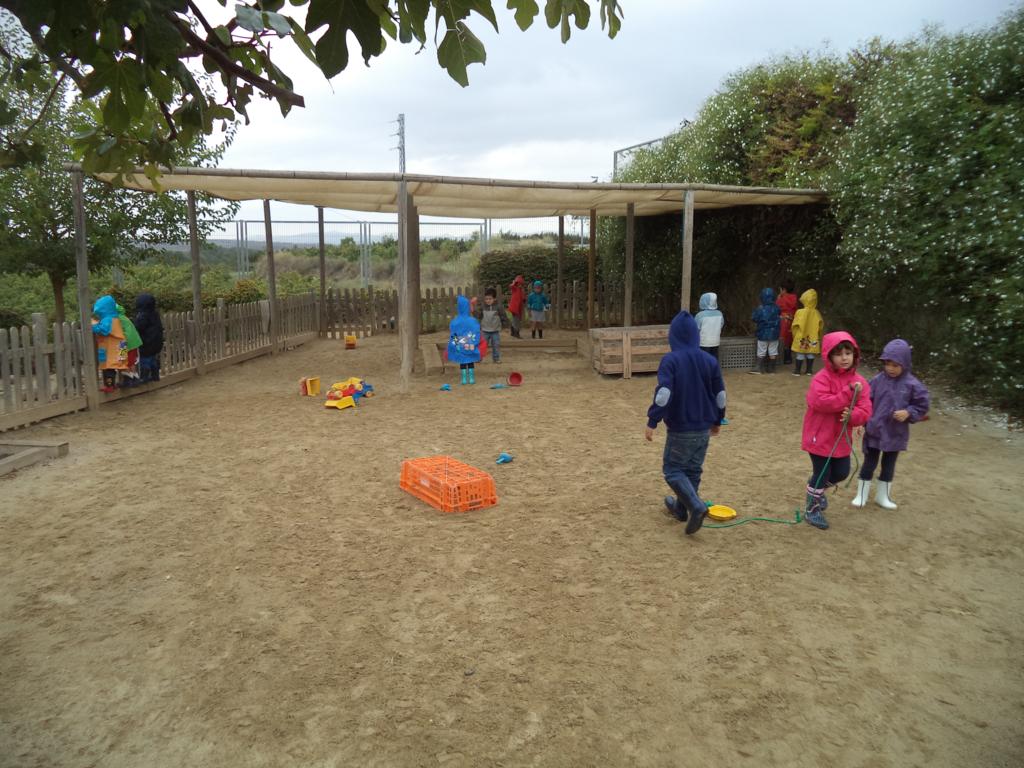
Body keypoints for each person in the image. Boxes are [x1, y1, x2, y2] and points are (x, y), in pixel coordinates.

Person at [645, 311, 727, 536]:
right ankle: (681, 510)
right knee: (692, 470)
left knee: (673, 470)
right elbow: (720, 395)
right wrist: (718, 419)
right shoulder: (710, 360)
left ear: (673, 337)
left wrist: (653, 420)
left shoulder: (670, 360)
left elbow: (663, 393)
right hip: (703, 429)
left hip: (681, 428)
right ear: (695, 335)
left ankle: (695, 505)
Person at [801, 331, 872, 530]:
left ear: (854, 355)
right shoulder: (821, 378)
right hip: (819, 435)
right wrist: (847, 394)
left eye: (848, 353)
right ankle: (812, 508)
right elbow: (820, 402)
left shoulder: (860, 382)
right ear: (829, 356)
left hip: (841, 438)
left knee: (841, 472)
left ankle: (815, 488)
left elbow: (865, 409)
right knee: (822, 472)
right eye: (839, 354)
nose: (844, 358)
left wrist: (853, 416)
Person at [852, 339, 930, 510]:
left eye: (895, 365)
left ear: (905, 364)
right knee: (869, 463)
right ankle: (861, 495)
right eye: (887, 364)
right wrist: (861, 420)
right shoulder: (877, 380)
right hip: (874, 430)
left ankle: (882, 497)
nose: (890, 368)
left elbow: (922, 405)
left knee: (888, 465)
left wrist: (909, 412)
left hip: (895, 433)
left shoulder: (912, 384)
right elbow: (865, 401)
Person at [91, 295, 129, 393]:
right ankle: (124, 382)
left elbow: (104, 330)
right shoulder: (115, 318)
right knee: (118, 365)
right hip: (120, 345)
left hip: (112, 348)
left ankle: (109, 386)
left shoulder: (108, 319)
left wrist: (93, 325)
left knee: (109, 368)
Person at [447, 294, 481, 385]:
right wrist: (474, 343)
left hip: (460, 346)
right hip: (470, 345)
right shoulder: (473, 321)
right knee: (470, 360)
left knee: (462, 361)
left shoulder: (455, 321)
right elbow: (477, 332)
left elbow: (453, 334)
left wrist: (456, 344)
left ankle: (464, 379)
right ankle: (471, 378)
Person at [790, 288, 824, 376]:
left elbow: (795, 326)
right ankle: (809, 370)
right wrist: (819, 336)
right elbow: (821, 326)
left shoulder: (800, 312)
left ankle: (797, 371)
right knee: (810, 353)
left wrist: (795, 336)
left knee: (800, 353)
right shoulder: (817, 313)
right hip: (813, 337)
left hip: (801, 336)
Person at [134, 292, 164, 383]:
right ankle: (155, 375)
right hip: (156, 342)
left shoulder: (143, 315)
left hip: (147, 342)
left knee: (145, 360)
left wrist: (135, 321)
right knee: (153, 359)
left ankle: (144, 377)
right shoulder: (155, 314)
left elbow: (139, 326)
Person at [750, 287, 781, 374]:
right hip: (774, 333)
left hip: (762, 333)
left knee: (761, 350)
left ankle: (758, 368)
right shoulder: (777, 308)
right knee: (773, 350)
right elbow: (779, 315)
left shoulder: (760, 308)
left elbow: (754, 318)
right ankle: (771, 369)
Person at [474, 287, 508, 363]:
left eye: (490, 299)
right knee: (482, 345)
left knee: (496, 345)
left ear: (494, 299)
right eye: (486, 299)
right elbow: (478, 316)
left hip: (495, 331)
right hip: (485, 330)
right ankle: (479, 358)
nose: (488, 300)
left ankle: (496, 358)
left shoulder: (498, 307)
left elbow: (503, 316)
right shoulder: (482, 307)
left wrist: (505, 326)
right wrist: (474, 309)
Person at [694, 292, 724, 359]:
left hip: (703, 343)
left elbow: (695, 329)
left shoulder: (700, 315)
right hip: (716, 341)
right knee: (714, 359)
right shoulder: (720, 314)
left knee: (704, 360)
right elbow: (721, 325)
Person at [776, 280, 798, 365]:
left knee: (782, 338)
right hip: (791, 320)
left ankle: (781, 358)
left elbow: (776, 308)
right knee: (789, 339)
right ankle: (788, 358)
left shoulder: (781, 298)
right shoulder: (794, 298)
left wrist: (778, 298)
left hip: (782, 321)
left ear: (784, 289)